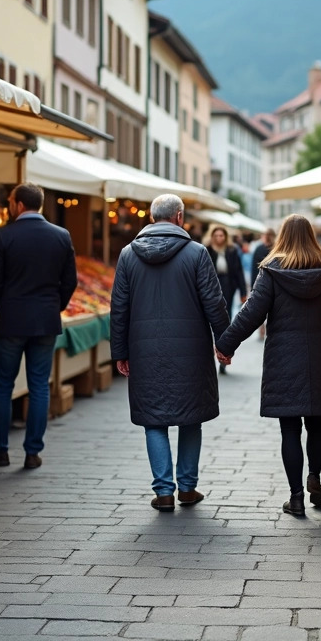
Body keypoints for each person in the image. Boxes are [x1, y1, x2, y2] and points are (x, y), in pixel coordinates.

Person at [216, 214, 321, 517]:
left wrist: (226, 345)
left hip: (283, 359)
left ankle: (295, 498)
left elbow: (251, 313)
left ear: (283, 236)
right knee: (317, 424)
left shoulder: (272, 269)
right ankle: (314, 478)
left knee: (289, 430)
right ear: (311, 236)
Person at [110, 194, 231, 511]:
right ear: (179, 217)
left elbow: (119, 308)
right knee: (191, 418)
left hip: (143, 348)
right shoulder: (196, 253)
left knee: (154, 419)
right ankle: (187, 489)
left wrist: (120, 350)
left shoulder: (127, 255)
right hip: (191, 349)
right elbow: (214, 303)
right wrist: (225, 342)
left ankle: (164, 491)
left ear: (151, 218)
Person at [0, 183, 77, 469]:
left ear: (19, 205)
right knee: (39, 386)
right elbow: (70, 281)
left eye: (10, 202)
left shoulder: (3, 236)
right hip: (45, 320)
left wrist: (5, 304)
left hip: (10, 320)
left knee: (2, 387)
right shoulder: (61, 236)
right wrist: (54, 305)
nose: (9, 206)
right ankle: (33, 451)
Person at [205, 226, 246, 373]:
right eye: (216, 235)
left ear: (225, 237)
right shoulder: (206, 250)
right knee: (208, 321)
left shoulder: (232, 250)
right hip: (210, 288)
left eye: (221, 235)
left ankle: (223, 355)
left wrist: (243, 291)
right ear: (212, 236)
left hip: (228, 286)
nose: (219, 238)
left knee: (225, 319)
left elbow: (238, 271)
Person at [251, 229, 275, 340]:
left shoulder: (259, 248)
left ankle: (262, 330)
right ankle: (265, 329)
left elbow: (254, 268)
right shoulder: (277, 248)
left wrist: (253, 285)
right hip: (275, 284)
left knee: (260, 308)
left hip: (260, 282)